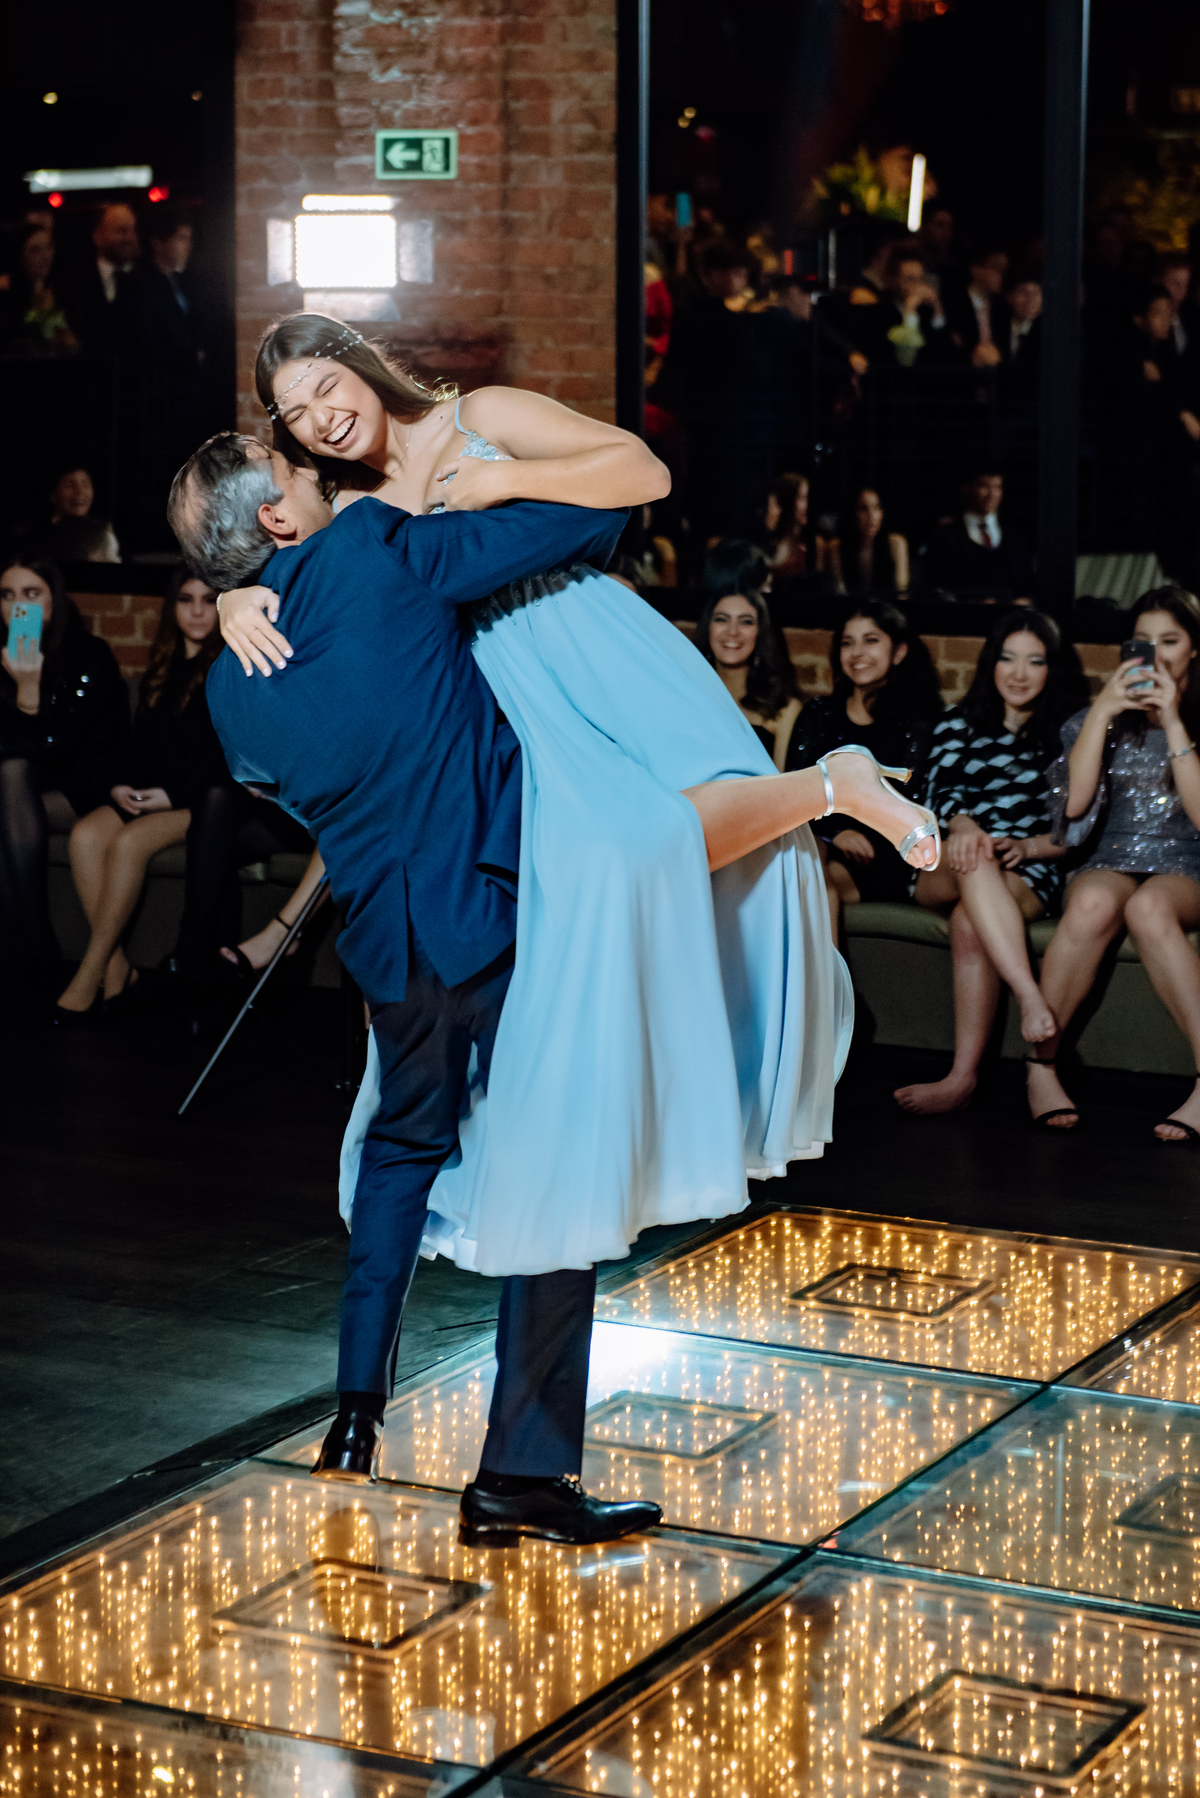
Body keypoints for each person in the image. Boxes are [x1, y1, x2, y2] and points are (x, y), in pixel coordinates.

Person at [189, 317, 937, 1539]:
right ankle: (521, 1470)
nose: (318, 420)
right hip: (483, 728)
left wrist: (499, 475)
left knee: (643, 854)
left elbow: (636, 480)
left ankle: (827, 783)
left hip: (571, 665)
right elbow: (265, 550)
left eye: (327, 389)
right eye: (295, 416)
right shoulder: (347, 513)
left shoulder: (475, 418)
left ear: (362, 365)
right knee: (553, 1099)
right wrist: (231, 601)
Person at [894, 611, 1083, 1116]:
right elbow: (937, 795)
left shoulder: (1067, 735)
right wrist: (963, 826)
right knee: (973, 857)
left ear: (1052, 669)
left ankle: (961, 1078)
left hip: (1026, 867)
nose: (1018, 673)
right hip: (948, 862)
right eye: (1007, 658)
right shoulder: (958, 720)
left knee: (969, 924)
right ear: (990, 663)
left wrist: (1029, 847)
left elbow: (1077, 825)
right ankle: (1031, 998)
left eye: (1035, 661)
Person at [1028, 588, 1200, 1141]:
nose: (1157, 654)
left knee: (1150, 909)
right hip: (1112, 854)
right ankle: (1040, 1066)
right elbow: (1074, 808)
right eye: (1143, 643)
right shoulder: (1097, 718)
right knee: (1094, 901)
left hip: (1187, 862)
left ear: (1193, 649)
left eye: (1169, 641)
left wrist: (1173, 721)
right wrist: (1104, 709)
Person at [53, 565, 229, 1016]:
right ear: (172, 608)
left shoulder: (229, 668)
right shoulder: (162, 666)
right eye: (185, 600)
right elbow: (137, 748)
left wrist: (169, 796)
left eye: (207, 600)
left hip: (194, 800)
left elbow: (221, 762)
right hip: (149, 795)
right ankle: (119, 970)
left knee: (129, 842)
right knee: (85, 836)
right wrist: (120, 785)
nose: (195, 611)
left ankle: (90, 973)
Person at [0, 554, 128, 989]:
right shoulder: (4, 653)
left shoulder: (88, 653)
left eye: (31, 594)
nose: (19, 607)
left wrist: (28, 688)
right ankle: (27, 938)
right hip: (37, 792)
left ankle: (32, 938)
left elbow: (57, 747)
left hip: (93, 785)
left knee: (12, 772)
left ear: (53, 600)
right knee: (10, 781)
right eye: (8, 595)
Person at [787, 599, 942, 939]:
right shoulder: (818, 714)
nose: (857, 652)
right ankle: (829, 989)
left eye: (870, 640)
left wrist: (837, 831)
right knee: (810, 862)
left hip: (882, 854)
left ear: (898, 652)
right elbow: (794, 791)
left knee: (806, 879)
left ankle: (821, 991)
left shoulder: (916, 721)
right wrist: (834, 833)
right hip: (823, 845)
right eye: (847, 642)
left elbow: (904, 800)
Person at [693, 542, 800, 769]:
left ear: (759, 633)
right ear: (708, 629)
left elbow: (782, 792)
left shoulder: (784, 710)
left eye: (746, 621)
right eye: (721, 619)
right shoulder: (688, 695)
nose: (732, 631)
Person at [926, 467, 1033, 602]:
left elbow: (1026, 585)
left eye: (997, 487)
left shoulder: (1016, 538)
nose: (991, 494)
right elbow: (937, 585)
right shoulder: (947, 536)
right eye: (984, 486)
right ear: (966, 488)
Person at [63, 203, 140, 353]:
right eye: (121, 231)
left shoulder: (149, 279)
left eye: (132, 230)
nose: (129, 238)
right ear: (98, 236)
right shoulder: (75, 280)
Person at [0, 224, 77, 357]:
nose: (45, 256)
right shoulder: (6, 294)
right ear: (20, 255)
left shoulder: (63, 291)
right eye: (35, 250)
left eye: (48, 247)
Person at [824, 487, 910, 599]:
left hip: (887, 610)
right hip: (851, 611)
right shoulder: (836, 547)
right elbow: (840, 595)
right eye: (864, 509)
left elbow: (901, 593)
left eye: (876, 508)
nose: (871, 515)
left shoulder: (896, 543)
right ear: (852, 512)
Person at [945, 245, 1010, 368]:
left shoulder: (1002, 306)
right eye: (995, 269)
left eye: (1004, 270)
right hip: (961, 374)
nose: (1000, 276)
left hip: (994, 376)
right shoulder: (953, 302)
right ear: (975, 269)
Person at [44, 466, 121, 564]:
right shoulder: (35, 536)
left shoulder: (105, 530)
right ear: (53, 496)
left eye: (85, 484)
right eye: (69, 485)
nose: (80, 492)